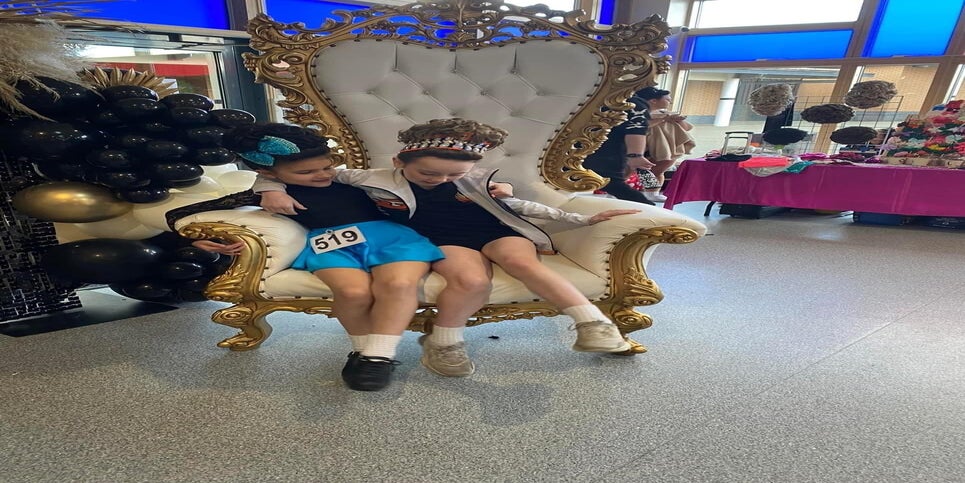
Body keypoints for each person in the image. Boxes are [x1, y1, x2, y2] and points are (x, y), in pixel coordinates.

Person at [256, 118, 641, 377]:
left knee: (523, 263)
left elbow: (517, 205)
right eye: (428, 172)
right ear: (399, 161)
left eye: (454, 173)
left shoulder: (473, 181)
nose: (440, 179)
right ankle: (444, 343)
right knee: (472, 281)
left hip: (495, 230)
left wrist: (578, 219)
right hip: (445, 240)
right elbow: (306, 175)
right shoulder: (369, 177)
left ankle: (593, 324)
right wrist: (269, 188)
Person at [167, 124, 445, 392]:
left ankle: (378, 357)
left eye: (326, 166)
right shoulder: (266, 191)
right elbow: (180, 214)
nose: (323, 175)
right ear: (267, 171)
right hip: (331, 245)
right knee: (352, 292)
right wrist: (195, 238)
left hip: (392, 238)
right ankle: (362, 351)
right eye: (306, 172)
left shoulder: (350, 179)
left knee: (399, 285)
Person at [582, 87, 657, 205]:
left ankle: (649, 203)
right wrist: (636, 155)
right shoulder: (634, 104)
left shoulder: (595, 97)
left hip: (584, 148)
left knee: (614, 184)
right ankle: (649, 207)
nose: (669, 101)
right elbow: (636, 129)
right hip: (606, 152)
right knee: (615, 184)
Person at [643, 88, 695, 202]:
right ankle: (648, 192)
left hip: (668, 146)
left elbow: (686, 128)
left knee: (659, 170)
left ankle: (652, 193)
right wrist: (664, 119)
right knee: (644, 170)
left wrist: (678, 120)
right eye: (667, 99)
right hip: (645, 145)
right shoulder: (642, 114)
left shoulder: (667, 114)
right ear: (653, 101)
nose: (669, 102)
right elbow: (643, 126)